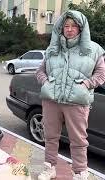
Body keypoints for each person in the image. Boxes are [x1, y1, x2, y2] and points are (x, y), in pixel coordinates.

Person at [36, 10, 105, 180]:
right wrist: (46, 82)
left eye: (74, 26)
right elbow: (39, 71)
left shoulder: (93, 50)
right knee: (50, 136)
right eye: (66, 25)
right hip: (52, 100)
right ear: (61, 28)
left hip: (77, 102)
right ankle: (49, 168)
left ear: (81, 28)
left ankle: (80, 172)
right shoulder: (53, 49)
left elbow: (101, 75)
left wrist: (86, 84)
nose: (69, 29)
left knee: (78, 140)